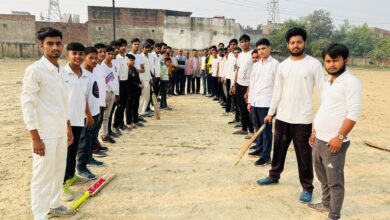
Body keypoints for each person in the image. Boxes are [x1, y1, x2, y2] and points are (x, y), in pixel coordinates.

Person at [257, 27, 324, 204]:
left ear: (305, 43)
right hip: (283, 116)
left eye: (299, 42)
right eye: (292, 43)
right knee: (278, 150)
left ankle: (307, 187)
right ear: (288, 44)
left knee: (304, 155)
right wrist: (271, 113)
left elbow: (323, 92)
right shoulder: (283, 66)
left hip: (303, 118)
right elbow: (277, 92)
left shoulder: (314, 64)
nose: (296, 45)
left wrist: (321, 120)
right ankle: (274, 175)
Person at [21, 27, 76, 219]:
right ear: (41, 46)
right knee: (42, 175)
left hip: (60, 129)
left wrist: (68, 127)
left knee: (58, 170)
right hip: (44, 132)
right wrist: (34, 136)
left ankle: (54, 205)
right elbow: (27, 104)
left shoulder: (59, 70)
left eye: (58, 43)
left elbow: (62, 102)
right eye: (50, 44)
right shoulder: (35, 70)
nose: (55, 47)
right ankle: (40, 214)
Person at [308, 43, 362, 220]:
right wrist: (315, 131)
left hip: (335, 142)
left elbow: (353, 114)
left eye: (335, 61)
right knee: (322, 177)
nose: (331, 64)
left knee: (335, 182)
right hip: (319, 139)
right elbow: (325, 108)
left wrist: (340, 137)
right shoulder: (328, 82)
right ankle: (325, 204)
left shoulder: (351, 82)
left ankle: (334, 215)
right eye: (328, 61)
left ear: (345, 60)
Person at [60, 42, 93, 202]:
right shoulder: (61, 73)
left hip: (78, 119)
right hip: (64, 121)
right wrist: (66, 124)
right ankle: (62, 185)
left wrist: (88, 114)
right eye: (75, 53)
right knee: (64, 154)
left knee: (73, 151)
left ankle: (71, 176)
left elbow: (84, 96)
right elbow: (58, 100)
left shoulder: (85, 75)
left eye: (81, 53)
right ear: (68, 55)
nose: (78, 57)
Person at [246, 38, 279, 166]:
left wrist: (274, 107)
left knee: (266, 131)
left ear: (269, 48)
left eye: (263, 48)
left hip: (267, 103)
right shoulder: (256, 65)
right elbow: (252, 84)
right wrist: (249, 102)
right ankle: (260, 149)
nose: (261, 51)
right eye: (259, 49)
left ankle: (266, 156)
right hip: (255, 102)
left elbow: (278, 87)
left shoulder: (275, 65)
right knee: (257, 128)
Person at [232, 34, 254, 139]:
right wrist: (234, 84)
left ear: (249, 42)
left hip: (248, 84)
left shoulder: (253, 54)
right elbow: (238, 70)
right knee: (240, 107)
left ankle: (251, 130)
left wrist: (250, 88)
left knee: (247, 108)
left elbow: (255, 71)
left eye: (245, 41)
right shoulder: (240, 55)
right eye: (242, 42)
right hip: (239, 84)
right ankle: (244, 128)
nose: (244, 43)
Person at [100, 46, 119, 143]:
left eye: (112, 54)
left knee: (107, 115)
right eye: (109, 54)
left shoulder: (114, 65)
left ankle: (105, 134)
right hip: (105, 92)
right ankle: (102, 135)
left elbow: (116, 80)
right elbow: (102, 82)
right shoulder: (101, 66)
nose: (111, 56)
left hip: (112, 92)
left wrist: (116, 93)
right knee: (102, 116)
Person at [92, 43, 108, 157]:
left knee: (98, 126)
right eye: (99, 51)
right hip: (94, 103)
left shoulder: (102, 66)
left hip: (102, 100)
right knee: (92, 127)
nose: (102, 54)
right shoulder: (91, 67)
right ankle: (92, 149)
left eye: (104, 52)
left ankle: (96, 144)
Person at [113, 39, 131, 133]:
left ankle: (121, 123)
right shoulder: (116, 59)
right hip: (119, 83)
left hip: (126, 82)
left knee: (124, 104)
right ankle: (115, 125)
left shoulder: (126, 58)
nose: (123, 47)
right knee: (119, 106)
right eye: (121, 46)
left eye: (125, 45)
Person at [127, 38, 145, 126]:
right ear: (131, 45)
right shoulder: (128, 55)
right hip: (131, 83)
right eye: (135, 44)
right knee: (129, 104)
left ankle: (136, 120)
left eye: (138, 44)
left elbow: (143, 69)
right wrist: (135, 70)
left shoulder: (139, 56)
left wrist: (136, 70)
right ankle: (129, 121)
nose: (137, 46)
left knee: (136, 103)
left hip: (138, 80)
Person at [224, 39, 238, 115]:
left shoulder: (238, 55)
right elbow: (227, 67)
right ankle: (227, 110)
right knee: (229, 95)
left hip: (235, 79)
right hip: (229, 77)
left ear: (236, 45)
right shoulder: (229, 55)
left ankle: (235, 111)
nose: (232, 46)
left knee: (235, 96)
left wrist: (234, 81)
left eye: (234, 44)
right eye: (231, 45)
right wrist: (225, 77)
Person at [139, 43, 153, 116]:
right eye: (146, 48)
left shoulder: (149, 57)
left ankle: (143, 112)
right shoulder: (140, 57)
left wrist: (150, 78)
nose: (148, 49)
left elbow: (148, 69)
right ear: (143, 48)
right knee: (142, 97)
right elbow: (140, 70)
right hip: (142, 80)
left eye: (149, 48)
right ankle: (139, 112)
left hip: (148, 79)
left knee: (147, 97)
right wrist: (140, 81)